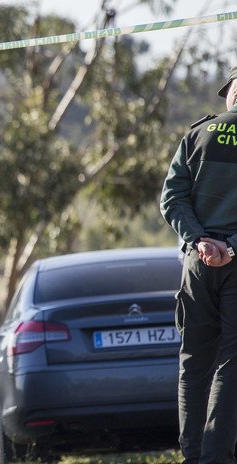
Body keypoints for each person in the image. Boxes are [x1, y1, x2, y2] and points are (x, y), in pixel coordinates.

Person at [160, 65, 237, 463]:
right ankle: (216, 457)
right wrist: (231, 246)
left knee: (193, 364)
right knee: (231, 364)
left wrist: (200, 240)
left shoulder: (197, 133)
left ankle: (192, 456)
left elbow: (171, 199)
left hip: (197, 264)